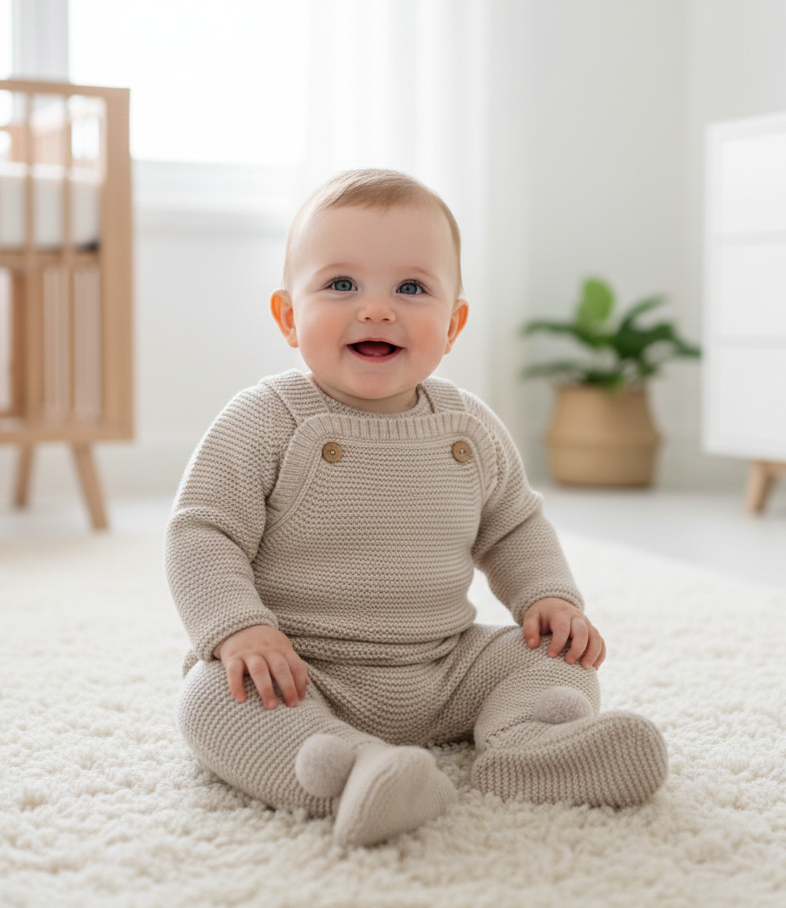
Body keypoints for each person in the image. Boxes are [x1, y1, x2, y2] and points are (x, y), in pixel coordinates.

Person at [166, 169, 667, 848]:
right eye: (341, 284)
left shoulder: (470, 428)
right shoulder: (265, 420)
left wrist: (549, 598)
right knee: (213, 698)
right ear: (288, 316)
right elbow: (203, 531)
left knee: (558, 655)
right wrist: (238, 630)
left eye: (411, 287)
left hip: (444, 668)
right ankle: (352, 772)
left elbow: (515, 524)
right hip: (304, 670)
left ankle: (531, 745)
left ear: (454, 324)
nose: (376, 309)